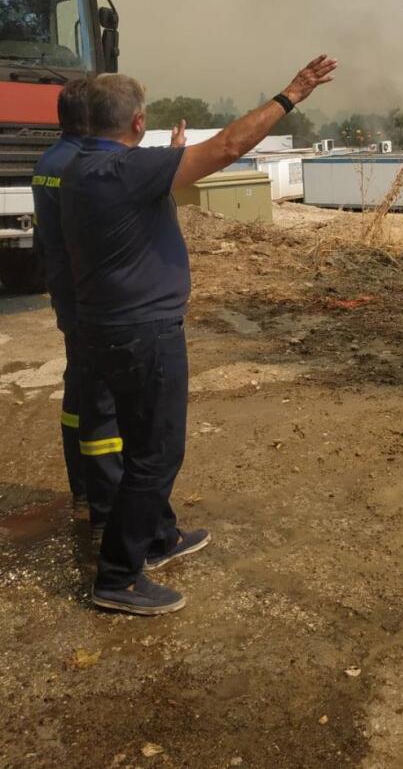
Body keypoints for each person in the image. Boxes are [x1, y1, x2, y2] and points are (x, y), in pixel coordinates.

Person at [61, 56, 336, 615]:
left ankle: (158, 537)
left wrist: (167, 154)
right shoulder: (128, 173)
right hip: (143, 332)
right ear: (137, 123)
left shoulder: (82, 166)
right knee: (157, 454)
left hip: (107, 327)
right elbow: (231, 145)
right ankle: (117, 576)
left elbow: (144, 168)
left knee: (142, 443)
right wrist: (290, 96)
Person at [31, 79, 123, 532]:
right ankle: (103, 500)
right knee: (102, 402)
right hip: (92, 302)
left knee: (79, 391)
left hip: (67, 296)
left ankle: (83, 489)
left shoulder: (49, 160)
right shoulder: (85, 165)